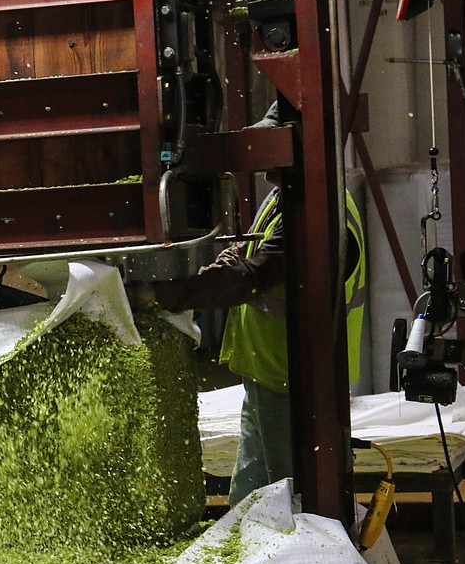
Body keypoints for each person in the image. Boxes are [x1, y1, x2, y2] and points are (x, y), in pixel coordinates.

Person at [128, 171, 366, 510]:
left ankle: (298, 560)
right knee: (250, 490)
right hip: (266, 372)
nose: (260, 168)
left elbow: (253, 277)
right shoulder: (291, 193)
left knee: (292, 496)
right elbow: (256, 249)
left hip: (297, 380)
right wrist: (229, 259)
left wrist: (155, 295)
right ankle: (244, 544)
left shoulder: (319, 215)